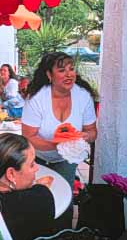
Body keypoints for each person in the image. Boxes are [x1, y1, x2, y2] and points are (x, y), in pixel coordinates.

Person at [22, 52, 97, 189]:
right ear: (49, 75)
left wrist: (85, 136)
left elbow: (92, 132)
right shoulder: (36, 98)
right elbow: (28, 136)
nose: (69, 74)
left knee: (64, 193)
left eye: (71, 69)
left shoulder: (83, 96)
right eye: (62, 70)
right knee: (40, 195)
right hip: (36, 157)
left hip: (66, 159)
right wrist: (59, 145)